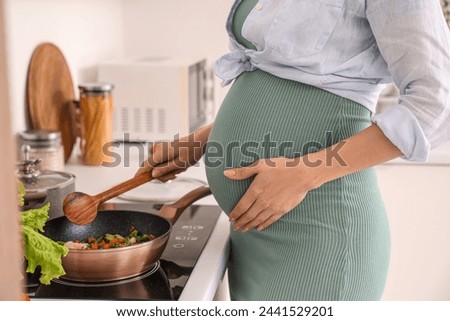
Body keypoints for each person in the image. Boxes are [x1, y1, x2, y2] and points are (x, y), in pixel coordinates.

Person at [136, 0, 450, 300]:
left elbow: (436, 103)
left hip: (319, 234)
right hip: (255, 231)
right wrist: (205, 139)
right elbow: (283, 77)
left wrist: (301, 175)